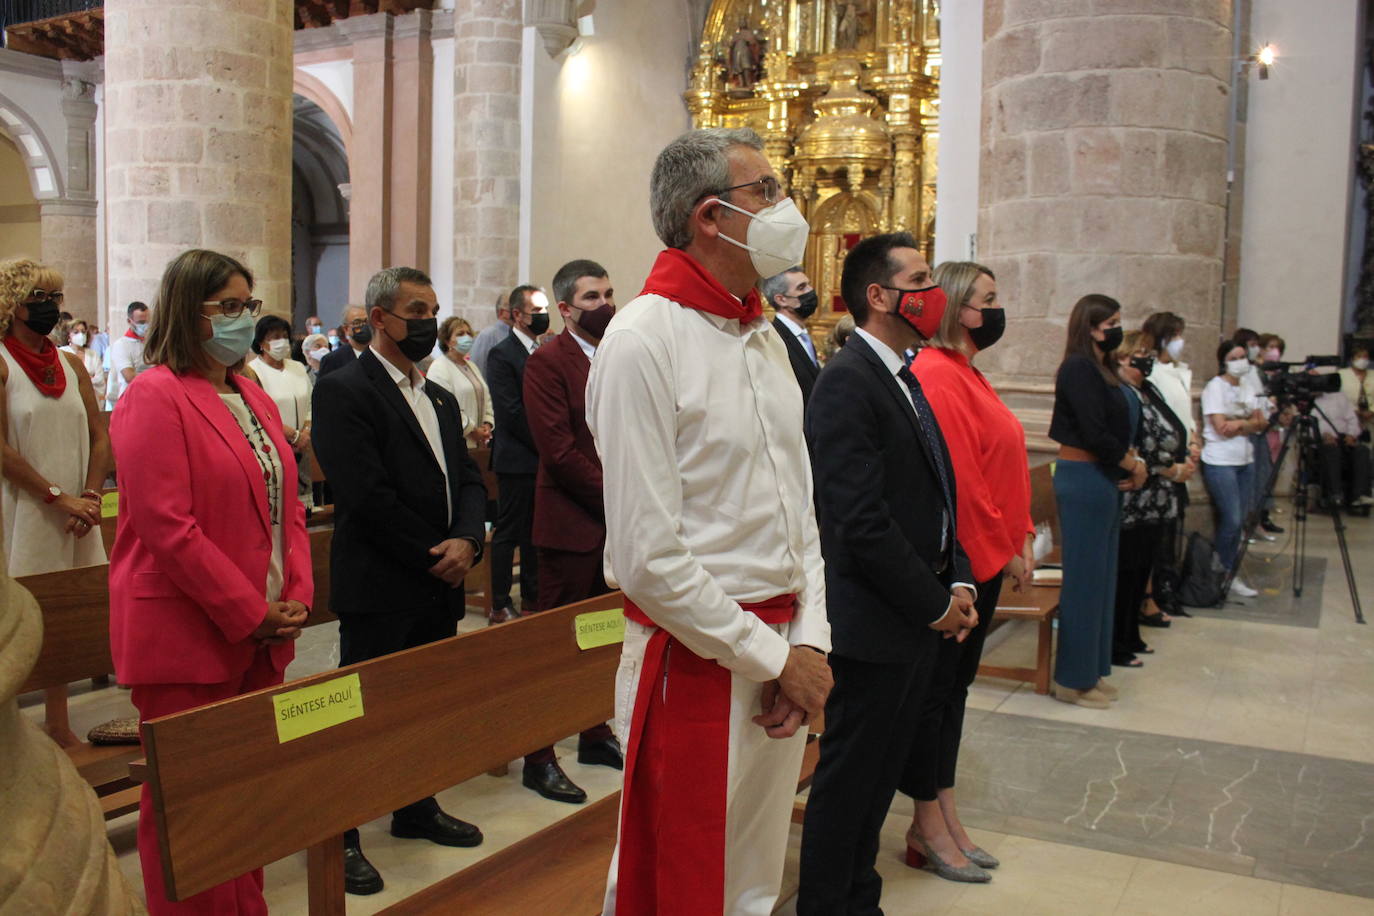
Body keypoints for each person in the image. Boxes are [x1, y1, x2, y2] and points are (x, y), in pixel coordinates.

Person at [587, 127, 832, 916]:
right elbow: (648, 555)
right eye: (765, 191)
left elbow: (803, 510)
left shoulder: (761, 333)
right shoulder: (642, 340)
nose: (784, 207)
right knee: (681, 881)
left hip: (779, 648)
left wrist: (810, 642)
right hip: (695, 654)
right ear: (709, 216)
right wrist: (771, 656)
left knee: (753, 874)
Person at [108, 249, 312, 914]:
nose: (243, 320)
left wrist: (297, 596)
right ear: (186, 311)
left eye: (248, 306)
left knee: (245, 793)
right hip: (186, 633)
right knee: (190, 809)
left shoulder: (248, 391)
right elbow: (168, 528)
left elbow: (288, 506)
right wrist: (249, 610)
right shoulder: (152, 396)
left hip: (259, 630)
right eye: (228, 307)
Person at [800, 238, 982, 910]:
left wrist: (957, 577)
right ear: (878, 296)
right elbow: (857, 520)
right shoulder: (848, 380)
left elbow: (935, 491)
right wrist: (933, 601)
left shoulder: (903, 373)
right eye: (920, 279)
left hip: (909, 615)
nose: (933, 292)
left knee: (878, 781)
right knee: (851, 781)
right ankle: (829, 903)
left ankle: (859, 896)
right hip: (873, 619)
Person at [312, 266, 489, 896]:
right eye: (416, 310)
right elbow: (365, 495)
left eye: (434, 310)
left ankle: (415, 806)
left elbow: (467, 478)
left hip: (438, 579)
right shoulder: (344, 389)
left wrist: (469, 539)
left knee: (422, 705)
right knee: (363, 713)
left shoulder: (438, 394)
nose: (428, 324)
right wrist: (433, 552)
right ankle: (344, 833)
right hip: (382, 581)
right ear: (380, 317)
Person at [888, 260, 1033, 882]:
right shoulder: (938, 375)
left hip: (989, 555)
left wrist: (1019, 536)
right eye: (986, 301)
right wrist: (972, 572)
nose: (995, 312)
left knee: (951, 696)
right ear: (953, 307)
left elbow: (1002, 464)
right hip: (964, 564)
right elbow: (961, 487)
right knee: (934, 697)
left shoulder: (968, 372)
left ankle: (944, 809)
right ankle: (926, 820)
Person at [511, 258, 624, 804]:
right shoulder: (547, 362)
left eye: (608, 294)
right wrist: (621, 500)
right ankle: (539, 755)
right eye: (592, 298)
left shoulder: (616, 354)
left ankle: (595, 732)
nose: (605, 305)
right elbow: (557, 452)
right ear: (564, 310)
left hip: (616, 525)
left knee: (605, 637)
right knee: (557, 646)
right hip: (572, 523)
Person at [1048, 294, 1143, 708]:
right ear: (1090, 326)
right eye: (1112, 323)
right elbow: (1091, 429)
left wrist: (1130, 461)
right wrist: (1129, 463)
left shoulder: (1103, 368)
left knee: (1102, 580)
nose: (1118, 329)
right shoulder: (1077, 368)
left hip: (1102, 477)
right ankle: (1071, 680)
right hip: (1084, 477)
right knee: (1085, 583)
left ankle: (1092, 670)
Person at [1112, 330, 1193, 667]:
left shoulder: (1147, 388)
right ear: (1120, 358)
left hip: (1155, 497)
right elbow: (1137, 444)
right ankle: (1119, 641)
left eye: (1147, 352)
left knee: (1143, 567)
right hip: (1137, 497)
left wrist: (1184, 455)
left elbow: (1172, 428)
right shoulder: (1122, 392)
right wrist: (1171, 468)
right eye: (1137, 354)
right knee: (1127, 571)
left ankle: (1132, 633)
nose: (1145, 359)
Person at [484, 285, 549, 624]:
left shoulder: (540, 350)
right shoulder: (503, 354)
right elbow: (511, 411)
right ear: (516, 315)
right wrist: (547, 442)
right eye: (536, 310)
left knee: (535, 532)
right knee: (510, 531)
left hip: (538, 456)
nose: (542, 316)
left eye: (544, 309)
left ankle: (533, 596)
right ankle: (498, 601)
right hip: (517, 457)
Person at [1200, 340, 1264, 598]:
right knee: (1232, 518)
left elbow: (1261, 423)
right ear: (1224, 361)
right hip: (1220, 459)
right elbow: (1220, 427)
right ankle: (1222, 569)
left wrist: (1238, 423)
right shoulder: (1215, 388)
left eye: (1242, 356)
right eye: (1234, 357)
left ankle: (1229, 568)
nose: (1240, 361)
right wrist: (1246, 422)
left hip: (1245, 459)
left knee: (1241, 520)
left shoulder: (1249, 386)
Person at [246, 314, 314, 509]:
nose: (281, 341)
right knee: (278, 508)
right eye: (274, 336)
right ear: (261, 343)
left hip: (302, 446)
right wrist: (292, 435)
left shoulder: (297, 367)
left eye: (284, 335)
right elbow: (258, 412)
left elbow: (310, 402)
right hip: (272, 446)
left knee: (304, 510)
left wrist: (305, 432)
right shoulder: (252, 371)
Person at [426, 316, 494, 448]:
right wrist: (472, 430)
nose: (467, 337)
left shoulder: (471, 366)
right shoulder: (439, 367)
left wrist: (487, 424)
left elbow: (486, 397)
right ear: (447, 341)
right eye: (460, 334)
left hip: (480, 442)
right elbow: (445, 407)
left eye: (469, 333)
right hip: (456, 441)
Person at [762, 265, 821, 403]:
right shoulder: (775, 337)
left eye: (808, 285)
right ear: (781, 299)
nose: (810, 290)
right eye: (801, 287)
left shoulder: (803, 335)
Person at [1313, 382, 1372, 507]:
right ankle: (1335, 494)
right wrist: (1322, 435)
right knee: (1332, 450)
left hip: (1344, 438)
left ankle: (1360, 496)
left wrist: (1351, 435)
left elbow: (1352, 420)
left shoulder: (1339, 397)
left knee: (1362, 450)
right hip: (1321, 442)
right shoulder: (1306, 402)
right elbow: (1306, 425)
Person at [109, 300, 151, 404]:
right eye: (141, 322)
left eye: (147, 322)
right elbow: (130, 376)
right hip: (131, 399)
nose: (145, 325)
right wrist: (158, 377)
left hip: (151, 397)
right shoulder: (121, 345)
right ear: (129, 321)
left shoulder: (152, 342)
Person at [59, 317, 107, 405]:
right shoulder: (62, 352)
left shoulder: (93, 354)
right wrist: (88, 377)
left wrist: (81, 379)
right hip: (69, 400)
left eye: (83, 331)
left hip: (92, 398)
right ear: (68, 335)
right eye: (76, 332)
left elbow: (99, 379)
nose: (80, 335)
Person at [317, 305, 370, 377]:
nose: (364, 326)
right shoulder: (332, 360)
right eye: (357, 323)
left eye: (367, 321)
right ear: (346, 329)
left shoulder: (382, 355)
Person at [469, 292, 512, 377]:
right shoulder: (487, 335)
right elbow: (478, 370)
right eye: (513, 310)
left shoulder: (515, 333)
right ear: (501, 312)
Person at [1339, 345, 1373, 436]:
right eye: (1359, 357)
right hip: (1348, 417)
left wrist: (1372, 411)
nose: (1363, 360)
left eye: (1365, 357)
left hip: (1370, 419)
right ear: (1352, 359)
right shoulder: (1341, 374)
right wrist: (1354, 410)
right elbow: (1338, 396)